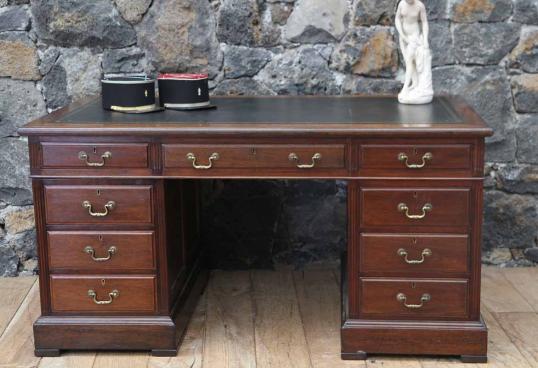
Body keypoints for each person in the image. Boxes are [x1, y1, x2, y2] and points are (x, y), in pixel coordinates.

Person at [395, 0, 434, 104]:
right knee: (410, 62)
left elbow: (424, 22)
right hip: (404, 38)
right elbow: (397, 19)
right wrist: (402, 35)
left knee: (409, 62)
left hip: (414, 37)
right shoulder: (402, 4)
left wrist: (425, 39)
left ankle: (405, 87)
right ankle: (415, 83)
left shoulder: (419, 6)